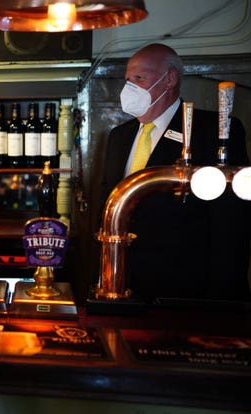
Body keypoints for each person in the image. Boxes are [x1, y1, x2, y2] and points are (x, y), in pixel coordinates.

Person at [98, 43, 250, 301]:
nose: (129, 88)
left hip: (186, 288)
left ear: (169, 79)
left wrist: (225, 296)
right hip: (124, 281)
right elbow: (108, 205)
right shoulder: (119, 136)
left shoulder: (212, 130)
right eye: (127, 80)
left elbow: (231, 223)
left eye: (139, 78)